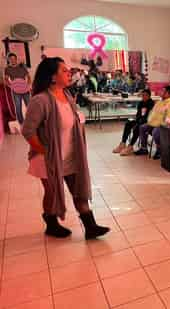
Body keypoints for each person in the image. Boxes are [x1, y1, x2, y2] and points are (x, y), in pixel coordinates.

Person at [21, 57, 110, 239]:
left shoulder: (67, 95)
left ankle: (90, 227)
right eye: (64, 70)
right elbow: (28, 131)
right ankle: (51, 224)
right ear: (52, 77)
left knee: (79, 190)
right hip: (46, 158)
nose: (69, 73)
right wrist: (47, 152)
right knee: (53, 193)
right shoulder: (40, 100)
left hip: (69, 155)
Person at [135, 86, 170, 159]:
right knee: (142, 127)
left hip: (162, 126)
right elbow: (152, 113)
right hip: (153, 124)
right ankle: (144, 148)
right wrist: (149, 121)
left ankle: (160, 150)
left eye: (163, 91)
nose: (161, 92)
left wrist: (160, 125)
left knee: (156, 131)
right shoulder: (160, 102)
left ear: (169, 94)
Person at [113, 89, 155, 156]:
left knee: (137, 127)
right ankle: (123, 143)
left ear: (149, 96)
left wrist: (139, 121)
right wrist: (137, 120)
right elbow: (138, 114)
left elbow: (149, 117)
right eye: (142, 95)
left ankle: (130, 146)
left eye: (145, 95)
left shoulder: (151, 104)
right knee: (128, 123)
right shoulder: (141, 103)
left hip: (146, 122)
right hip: (139, 120)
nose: (143, 97)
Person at [4, 53, 31, 124]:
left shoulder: (22, 67)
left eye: (14, 59)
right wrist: (10, 86)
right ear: (9, 60)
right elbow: (6, 79)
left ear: (16, 59)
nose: (13, 60)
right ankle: (21, 122)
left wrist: (28, 85)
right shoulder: (7, 69)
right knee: (18, 106)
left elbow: (28, 77)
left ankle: (31, 120)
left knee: (29, 105)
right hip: (16, 91)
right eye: (11, 59)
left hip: (25, 89)